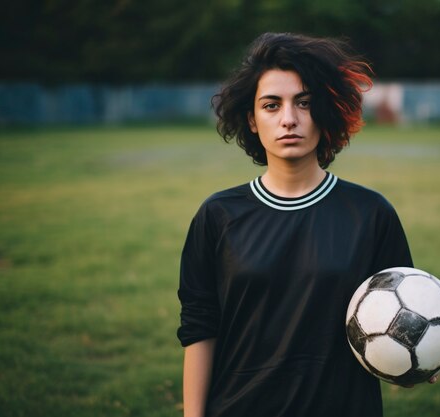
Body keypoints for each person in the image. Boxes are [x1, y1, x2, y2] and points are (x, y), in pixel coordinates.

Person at [177, 32, 415, 417]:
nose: (289, 119)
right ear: (252, 120)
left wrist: (428, 347)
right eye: (272, 106)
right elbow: (199, 328)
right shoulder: (217, 215)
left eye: (304, 103)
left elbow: (398, 319)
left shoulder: (371, 214)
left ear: (327, 111)